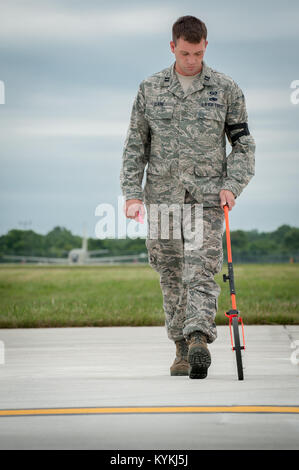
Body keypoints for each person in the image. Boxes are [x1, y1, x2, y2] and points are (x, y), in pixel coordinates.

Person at [120, 16, 255, 379]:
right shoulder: (150, 89)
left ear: (206, 46)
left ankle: (198, 337)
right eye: (184, 53)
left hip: (207, 197)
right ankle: (180, 347)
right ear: (172, 48)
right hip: (161, 198)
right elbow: (136, 147)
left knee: (201, 269)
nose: (191, 60)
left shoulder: (226, 89)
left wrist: (233, 183)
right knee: (171, 274)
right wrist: (132, 195)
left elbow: (243, 145)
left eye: (197, 52)